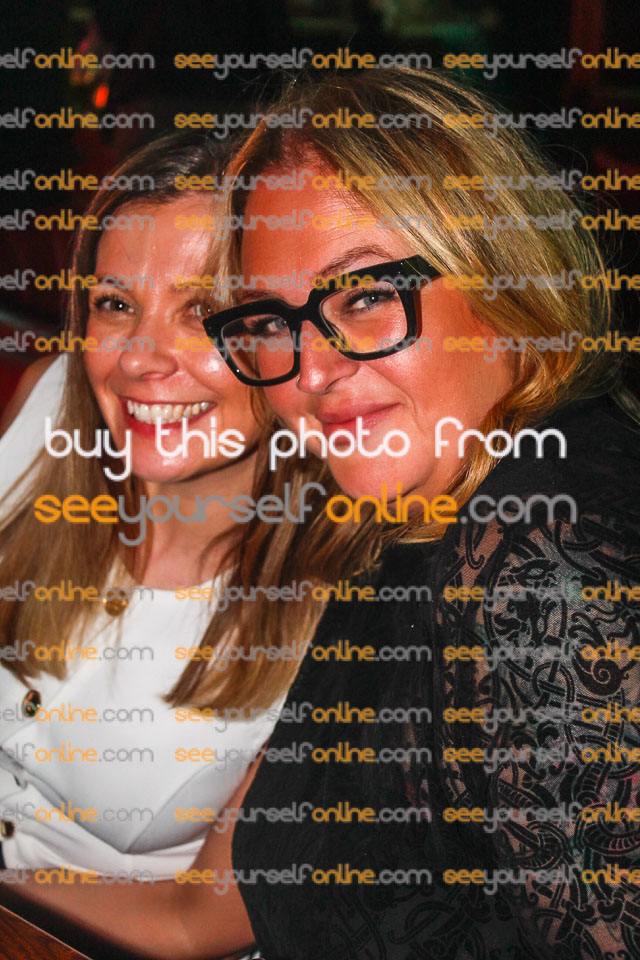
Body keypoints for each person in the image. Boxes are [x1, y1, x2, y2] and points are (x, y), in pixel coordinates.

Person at [7, 69, 640, 960]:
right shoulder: (414, 529)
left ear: (508, 276)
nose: (310, 370)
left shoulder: (538, 555)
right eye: (275, 320)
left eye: (366, 295)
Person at [0, 131, 325, 897]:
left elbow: (202, 919)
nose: (140, 358)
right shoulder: (48, 405)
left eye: (204, 310)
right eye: (116, 305)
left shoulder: (351, 590)